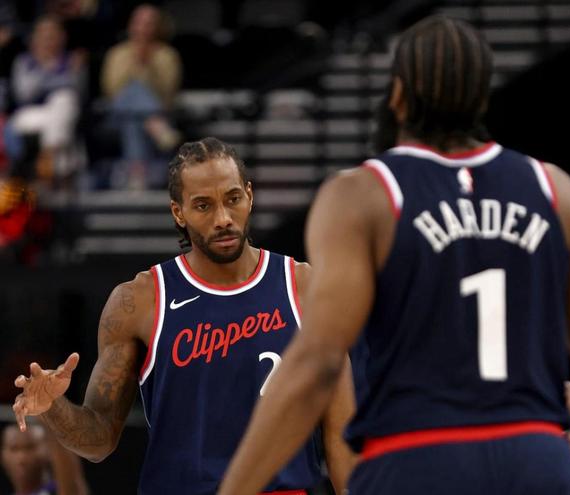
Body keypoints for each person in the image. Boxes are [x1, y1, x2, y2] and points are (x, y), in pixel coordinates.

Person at [217, 15, 570, 495]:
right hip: (537, 457)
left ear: (397, 95)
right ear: (481, 98)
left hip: (417, 457)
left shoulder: (365, 194)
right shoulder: (555, 190)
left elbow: (318, 364)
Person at [12, 137, 356, 494]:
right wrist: (53, 406)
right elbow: (98, 440)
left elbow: (342, 436)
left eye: (233, 199)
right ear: (178, 212)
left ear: (250, 196)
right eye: (203, 205)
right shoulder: (140, 301)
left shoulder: (305, 287)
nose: (223, 219)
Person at [101, 3, 182, 189]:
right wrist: (136, 63)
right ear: (131, 25)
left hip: (153, 113)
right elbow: (112, 91)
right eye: (139, 22)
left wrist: (149, 66)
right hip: (116, 115)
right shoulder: (117, 54)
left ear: (158, 27)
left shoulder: (167, 55)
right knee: (133, 90)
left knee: (134, 120)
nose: (143, 28)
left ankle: (137, 175)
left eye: (149, 23)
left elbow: (167, 93)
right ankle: (156, 125)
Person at [4, 15, 86, 185]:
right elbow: (24, 94)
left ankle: (48, 161)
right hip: (29, 115)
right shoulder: (24, 62)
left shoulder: (73, 60)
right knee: (63, 104)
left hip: (61, 113)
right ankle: (57, 165)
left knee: (64, 99)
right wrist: (50, 70)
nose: (48, 40)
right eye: (44, 36)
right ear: (34, 39)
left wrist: (51, 77)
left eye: (52, 35)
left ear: (62, 38)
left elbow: (79, 91)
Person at [1, 422, 89, 495]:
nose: (21, 458)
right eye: (14, 449)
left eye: (30, 447)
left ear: (48, 451)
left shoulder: (57, 489)